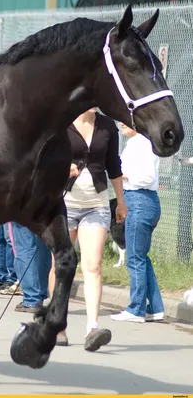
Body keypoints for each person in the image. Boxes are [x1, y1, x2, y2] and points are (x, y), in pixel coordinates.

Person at [48, 108, 127, 350]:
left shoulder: (107, 126)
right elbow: (44, 160)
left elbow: (114, 166)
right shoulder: (60, 122)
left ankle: (92, 327)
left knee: (92, 266)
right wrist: (63, 167)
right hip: (65, 204)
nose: (95, 103)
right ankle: (57, 325)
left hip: (97, 204)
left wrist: (121, 203)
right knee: (60, 265)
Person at [111, 122, 164, 323]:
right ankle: (156, 308)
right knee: (140, 256)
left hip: (139, 200)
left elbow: (146, 177)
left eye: (128, 119)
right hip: (142, 201)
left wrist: (120, 175)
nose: (121, 123)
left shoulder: (141, 142)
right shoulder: (137, 142)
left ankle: (136, 309)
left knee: (135, 258)